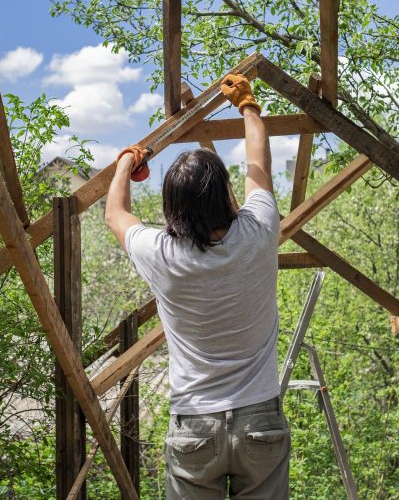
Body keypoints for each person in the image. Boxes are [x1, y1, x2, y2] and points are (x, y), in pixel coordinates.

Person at [105, 73, 290, 499]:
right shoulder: (258, 232)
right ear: (226, 194)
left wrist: (124, 164)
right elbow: (258, 170)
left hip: (194, 425)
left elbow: (115, 214)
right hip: (259, 418)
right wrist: (248, 105)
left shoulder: (163, 255)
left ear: (173, 207)